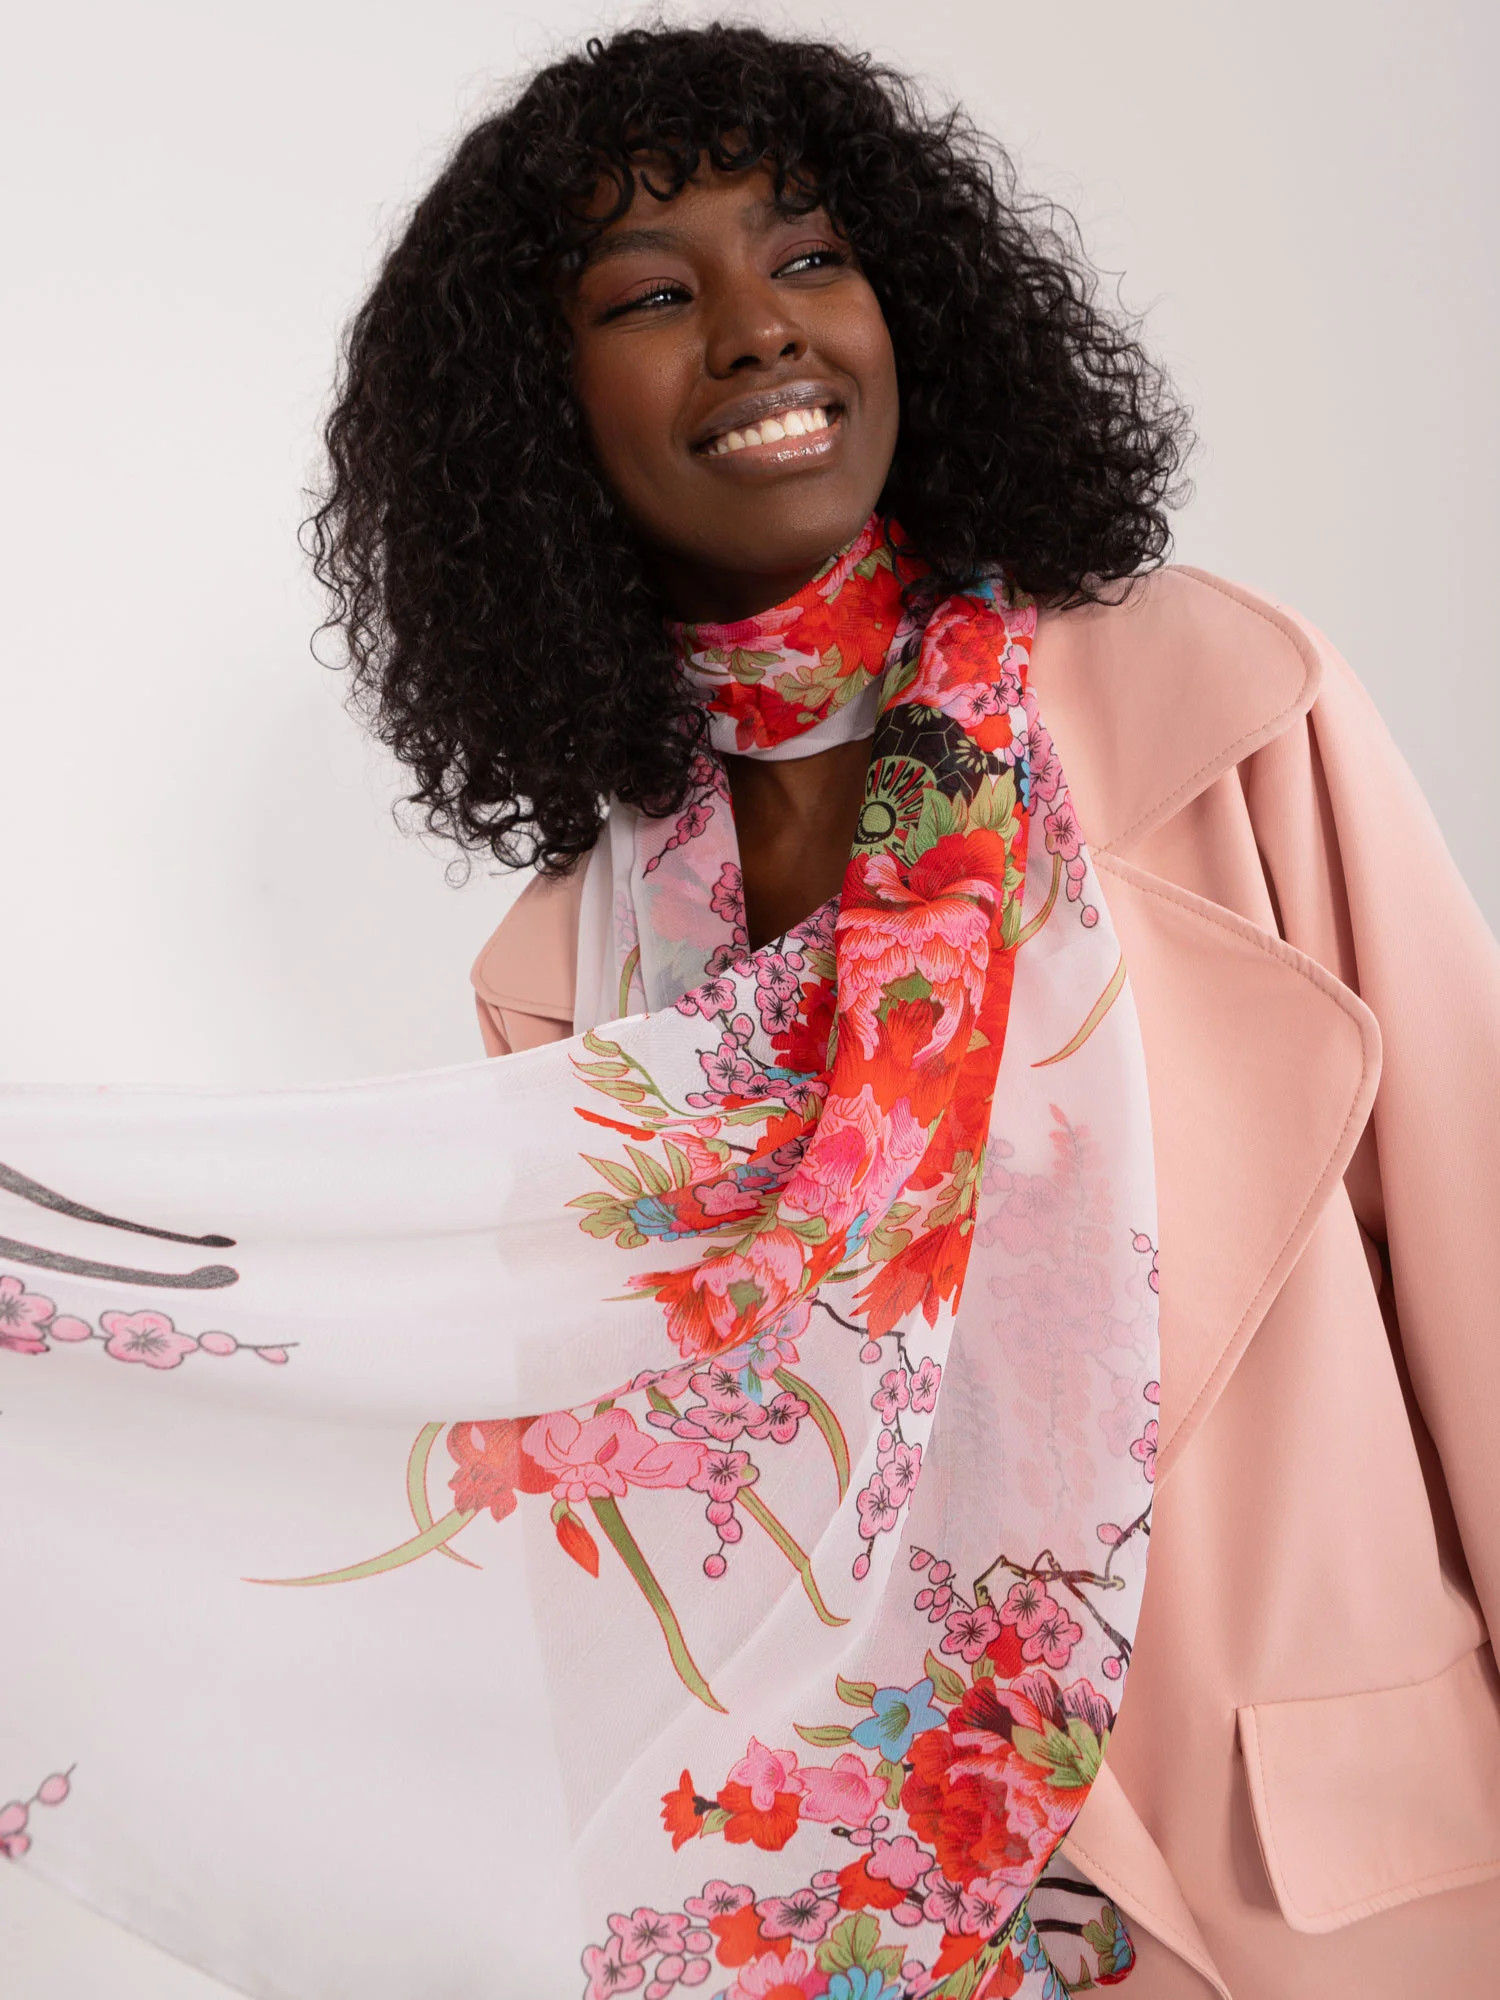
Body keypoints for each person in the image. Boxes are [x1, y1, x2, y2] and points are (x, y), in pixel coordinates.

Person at [309, 22, 1500, 1992]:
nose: (760, 328)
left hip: (1318, 1887)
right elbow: (633, 1554)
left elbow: (1483, 1250)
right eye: (653, 296)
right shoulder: (566, 973)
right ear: (535, 411)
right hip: (867, 1926)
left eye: (810, 257)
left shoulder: (1228, 705)